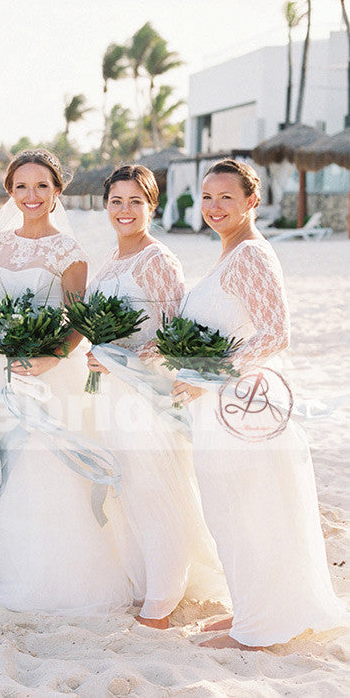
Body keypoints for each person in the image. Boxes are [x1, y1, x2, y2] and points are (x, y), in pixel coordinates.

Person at [172, 159, 346, 649]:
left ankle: (261, 628)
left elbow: (276, 334)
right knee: (232, 510)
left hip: (244, 405)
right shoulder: (230, 254)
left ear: (252, 202)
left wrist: (209, 375)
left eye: (226, 197)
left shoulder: (251, 255)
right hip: (220, 407)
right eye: (207, 196)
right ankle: (251, 607)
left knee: (250, 508)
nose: (213, 207)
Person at [0, 150, 131, 613]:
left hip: (52, 372)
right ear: (10, 191)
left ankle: (66, 576)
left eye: (42, 186)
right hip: (8, 367)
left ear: (56, 193)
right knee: (12, 465)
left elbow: (80, 320)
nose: (32, 195)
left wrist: (49, 357)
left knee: (47, 463)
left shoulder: (69, 252)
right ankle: (17, 567)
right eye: (22, 186)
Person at [86, 164, 227, 628]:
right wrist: (99, 354)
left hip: (144, 395)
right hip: (111, 394)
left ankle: (163, 602)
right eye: (116, 201)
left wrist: (117, 358)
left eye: (135, 202)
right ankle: (145, 584)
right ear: (105, 206)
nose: (125, 211)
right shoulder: (111, 259)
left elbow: (171, 338)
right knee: (126, 491)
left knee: (154, 490)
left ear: (151, 205)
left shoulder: (158, 260)